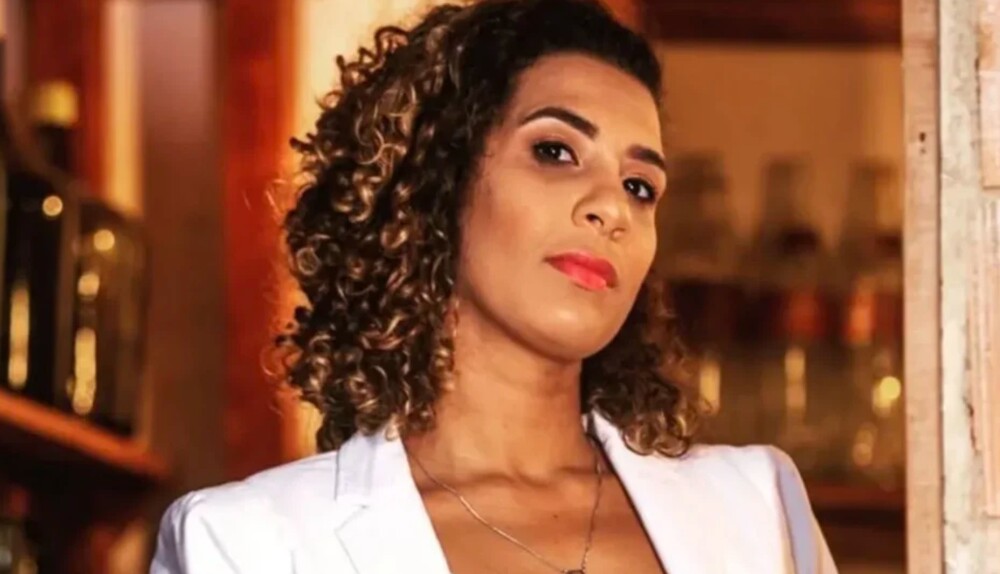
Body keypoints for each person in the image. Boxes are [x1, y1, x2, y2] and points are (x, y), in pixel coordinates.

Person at [150, 0, 837, 572]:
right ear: (435, 182)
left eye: (640, 186)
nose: (612, 207)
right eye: (555, 151)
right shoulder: (248, 544)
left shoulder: (756, 509)